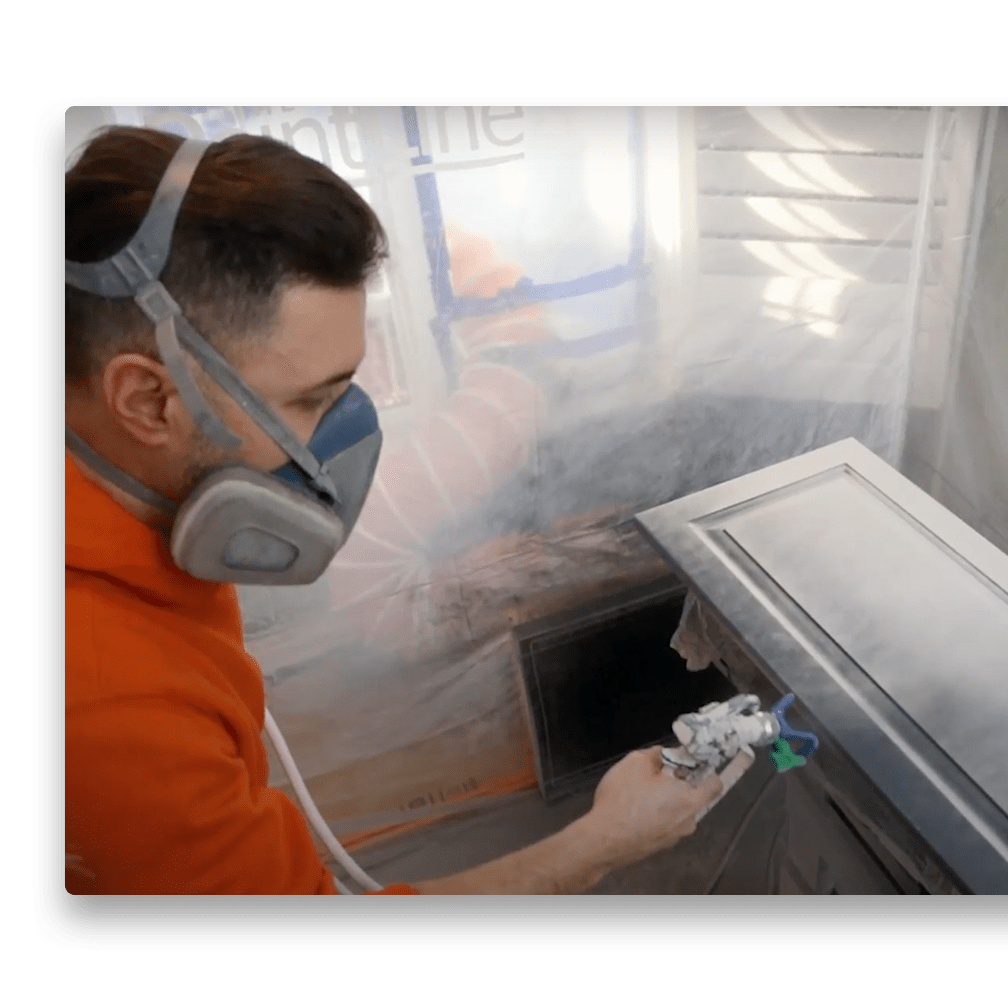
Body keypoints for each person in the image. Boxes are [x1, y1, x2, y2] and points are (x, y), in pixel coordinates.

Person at [64, 125, 723, 894]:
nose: (343, 436)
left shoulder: (148, 523)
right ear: (147, 399)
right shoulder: (110, 701)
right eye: (310, 400)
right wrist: (602, 843)